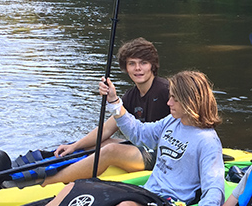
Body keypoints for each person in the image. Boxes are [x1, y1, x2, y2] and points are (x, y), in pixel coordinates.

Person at [0, 70, 225, 206]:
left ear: (191, 102)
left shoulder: (207, 141)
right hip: (148, 191)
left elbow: (215, 186)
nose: (168, 102)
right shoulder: (173, 121)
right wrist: (115, 102)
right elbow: (139, 133)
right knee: (78, 186)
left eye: (175, 99)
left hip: (172, 203)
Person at [42, 38, 171, 186]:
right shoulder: (131, 95)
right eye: (131, 63)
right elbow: (107, 128)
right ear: (125, 67)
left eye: (143, 63)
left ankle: (50, 183)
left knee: (110, 150)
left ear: (152, 65)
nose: (137, 68)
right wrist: (75, 146)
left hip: (162, 155)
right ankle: (59, 170)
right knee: (94, 145)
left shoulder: (165, 90)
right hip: (142, 147)